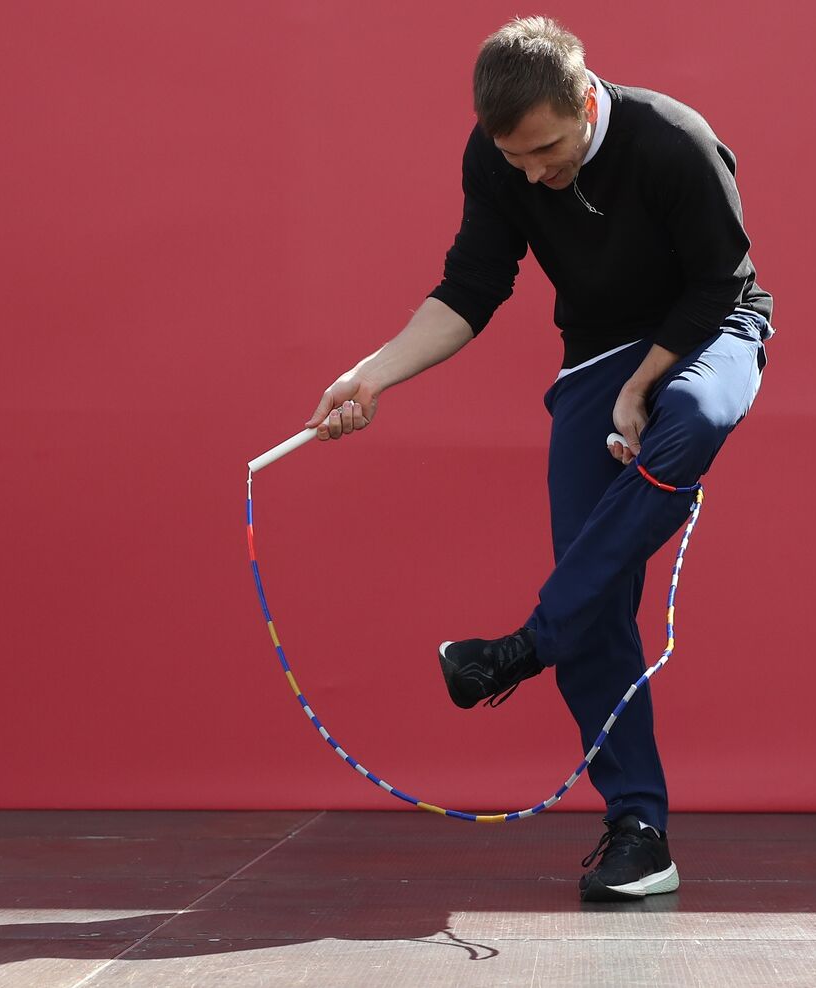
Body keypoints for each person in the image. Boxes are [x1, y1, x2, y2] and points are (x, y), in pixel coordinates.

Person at [303, 15, 772, 901]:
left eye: (547, 151)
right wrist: (371, 376)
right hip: (598, 355)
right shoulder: (498, 158)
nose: (533, 174)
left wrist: (643, 388)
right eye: (514, 158)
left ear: (585, 97)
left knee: (696, 414)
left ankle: (528, 643)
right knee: (596, 598)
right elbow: (471, 289)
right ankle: (639, 827)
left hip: (710, 329)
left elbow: (722, 281)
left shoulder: (673, 140)